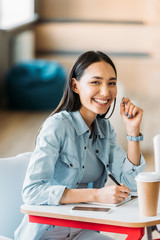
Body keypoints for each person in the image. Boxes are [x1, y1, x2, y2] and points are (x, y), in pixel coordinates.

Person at [15, 51, 145, 240]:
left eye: (111, 83)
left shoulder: (104, 128)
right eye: (95, 82)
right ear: (75, 85)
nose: (105, 92)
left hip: (82, 229)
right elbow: (32, 192)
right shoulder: (57, 125)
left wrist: (133, 132)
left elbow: (134, 185)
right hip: (47, 232)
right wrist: (96, 195)